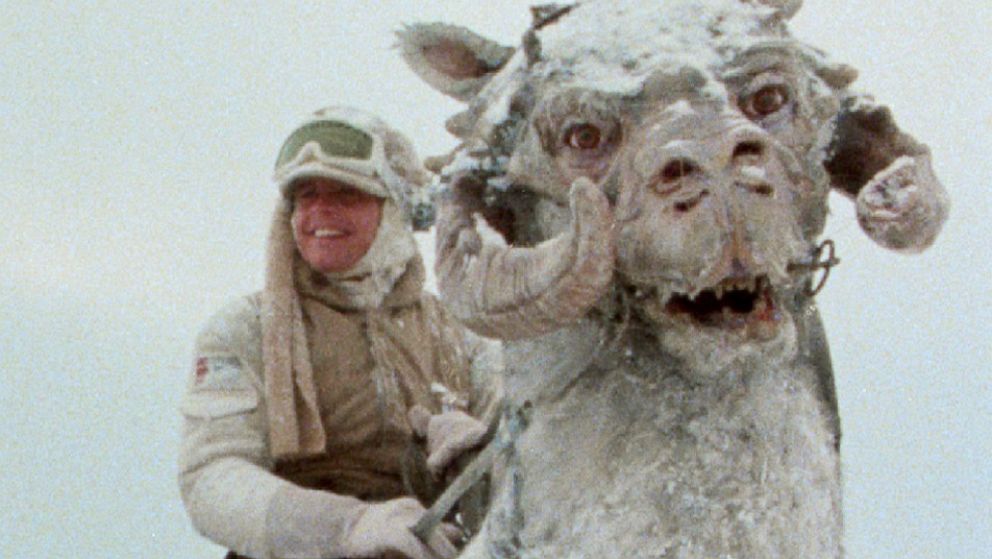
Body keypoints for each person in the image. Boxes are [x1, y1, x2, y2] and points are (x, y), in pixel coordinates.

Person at [178, 106, 501, 559]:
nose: (319, 210)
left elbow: (537, 455)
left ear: (392, 210)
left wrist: (483, 451)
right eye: (305, 195)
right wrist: (348, 527)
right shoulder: (245, 330)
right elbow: (212, 479)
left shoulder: (460, 334)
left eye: (346, 193)